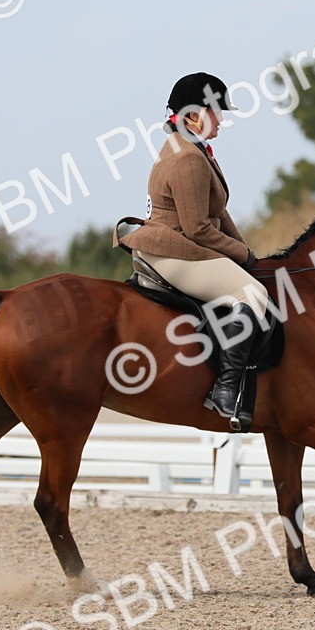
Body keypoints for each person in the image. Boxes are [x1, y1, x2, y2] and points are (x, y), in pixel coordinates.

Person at [115, 72, 271, 425]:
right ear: (193, 114)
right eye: (216, 111)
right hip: (173, 250)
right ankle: (226, 389)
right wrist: (243, 257)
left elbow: (218, 213)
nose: (222, 119)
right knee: (254, 295)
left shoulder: (191, 150)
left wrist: (245, 251)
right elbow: (198, 228)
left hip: (179, 243)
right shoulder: (187, 158)